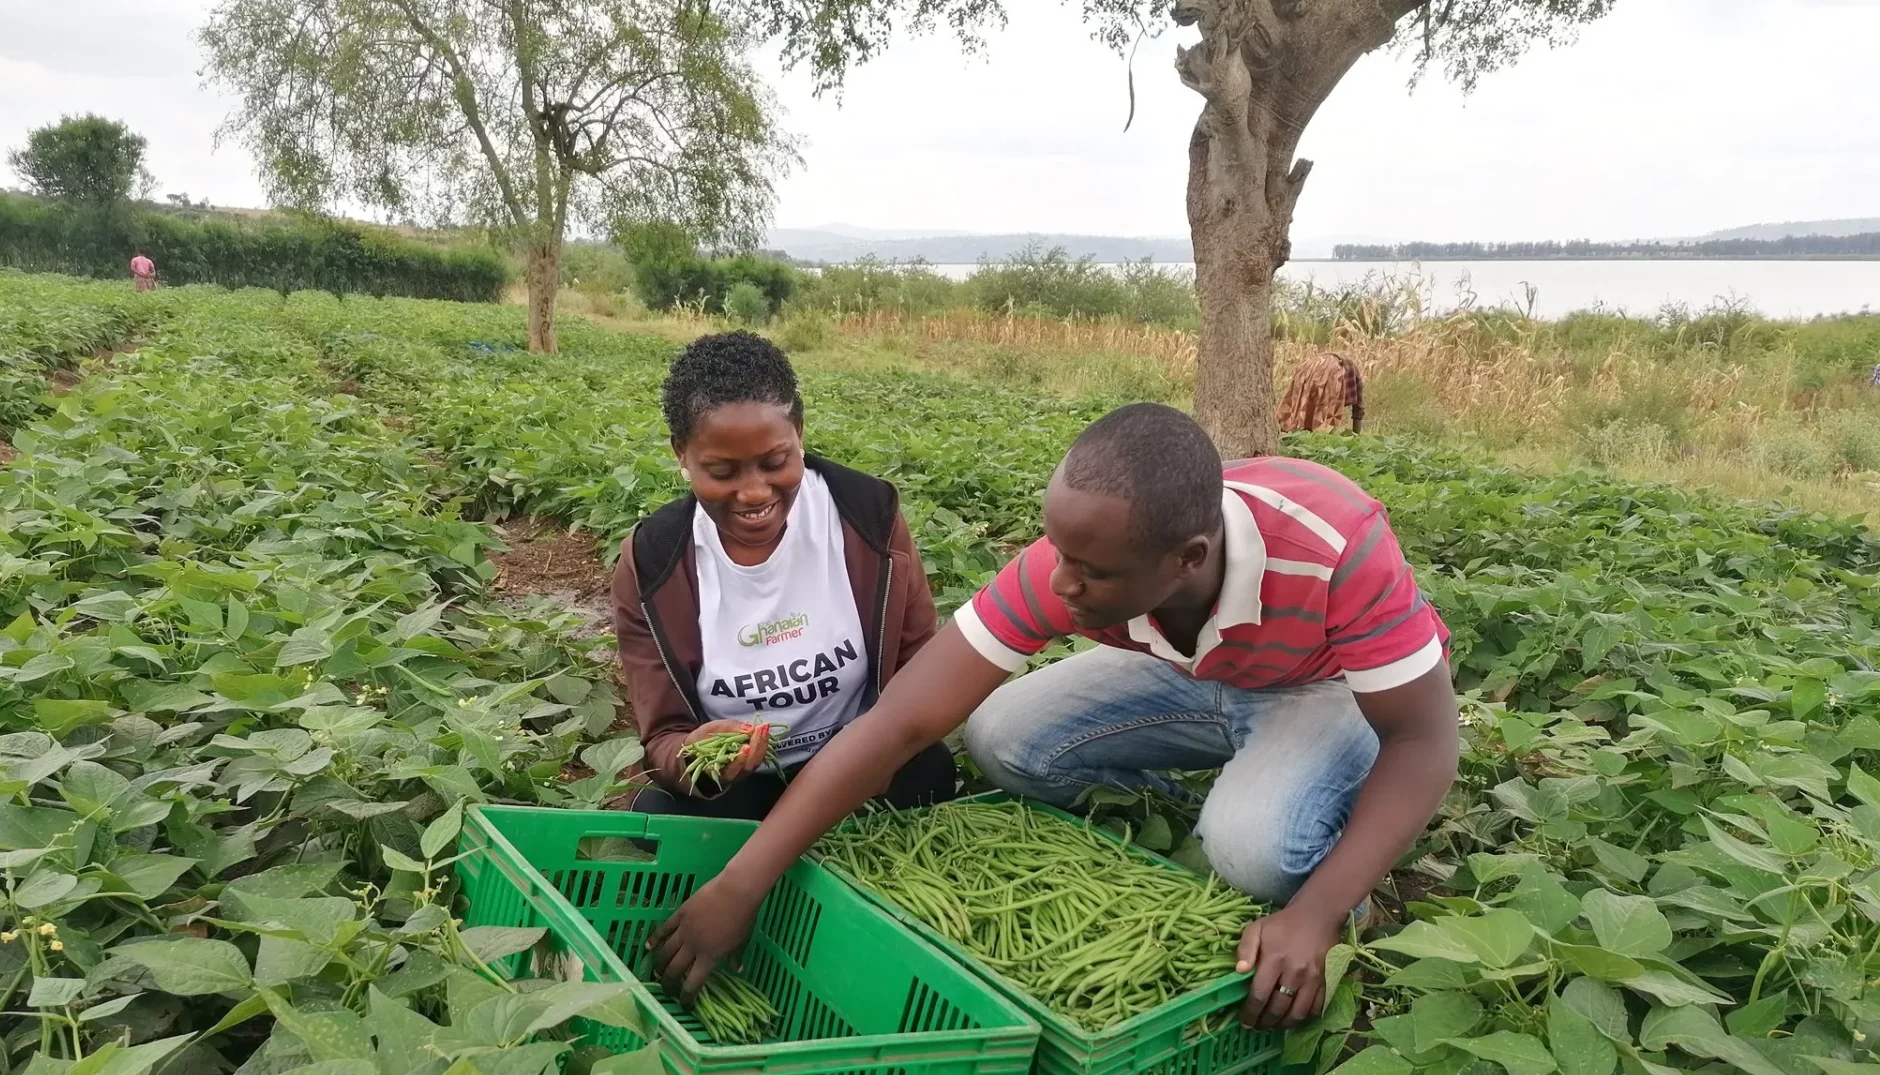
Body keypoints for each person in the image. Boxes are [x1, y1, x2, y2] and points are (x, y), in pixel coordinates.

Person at [650, 402, 1460, 1030]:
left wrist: (1314, 915)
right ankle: (1227, 795)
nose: (1061, 585)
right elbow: (903, 720)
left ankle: (1313, 850)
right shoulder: (1082, 557)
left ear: (1189, 561)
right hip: (1187, 670)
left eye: (1091, 572)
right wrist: (743, 880)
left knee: (1253, 853)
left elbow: (1424, 742)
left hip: (1324, 688)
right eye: (1057, 551)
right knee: (1002, 739)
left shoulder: (1334, 545)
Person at [612, 330, 955, 820]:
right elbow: (663, 735)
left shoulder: (866, 518)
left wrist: (879, 750)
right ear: (681, 454)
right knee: (659, 812)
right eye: (722, 472)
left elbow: (916, 663)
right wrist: (693, 756)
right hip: (743, 785)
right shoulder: (655, 561)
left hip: (856, 766)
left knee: (929, 774)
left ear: (799, 432)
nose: (754, 493)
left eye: (775, 462)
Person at [1278, 351, 1363, 434]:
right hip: (1330, 369)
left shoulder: (1348, 369)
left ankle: (1285, 434)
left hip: (1307, 367)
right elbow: (1359, 409)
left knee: (1299, 403)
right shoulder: (1353, 374)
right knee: (1326, 416)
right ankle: (1322, 438)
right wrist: (1356, 436)